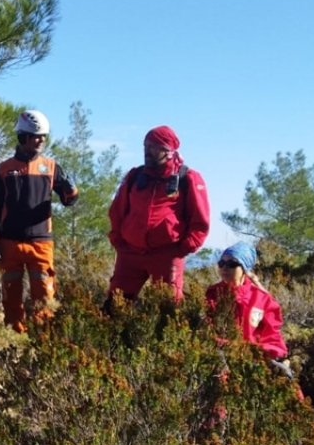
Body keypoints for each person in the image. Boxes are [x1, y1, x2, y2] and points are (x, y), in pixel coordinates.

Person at [0, 109, 79, 332]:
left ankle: (43, 343)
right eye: (36, 136)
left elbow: (69, 200)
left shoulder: (51, 167)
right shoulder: (4, 169)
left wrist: (71, 190)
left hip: (41, 243)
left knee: (45, 298)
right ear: (23, 136)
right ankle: (13, 341)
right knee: (11, 298)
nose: (41, 141)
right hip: (10, 243)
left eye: (43, 136)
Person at [107, 125, 210, 302]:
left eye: (154, 147)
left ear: (169, 151)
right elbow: (117, 211)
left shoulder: (187, 178)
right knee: (115, 306)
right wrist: (119, 241)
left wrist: (182, 249)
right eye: (146, 146)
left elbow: (200, 220)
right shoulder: (135, 176)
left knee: (167, 310)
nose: (148, 151)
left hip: (167, 254)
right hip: (130, 253)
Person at [205, 243, 291, 375]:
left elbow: (272, 336)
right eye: (221, 263)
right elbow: (205, 330)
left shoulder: (262, 299)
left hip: (253, 360)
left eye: (232, 264)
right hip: (220, 354)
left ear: (245, 269)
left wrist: (267, 355)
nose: (225, 268)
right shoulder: (212, 294)